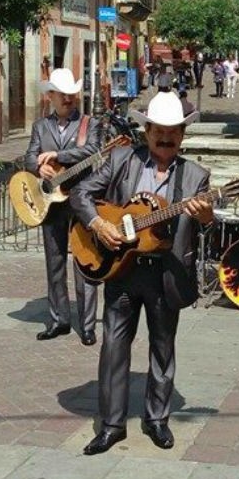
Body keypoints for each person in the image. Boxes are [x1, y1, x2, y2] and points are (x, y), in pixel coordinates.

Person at [69, 91, 213, 455]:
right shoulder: (121, 160)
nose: (166, 139)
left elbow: (206, 226)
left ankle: (158, 420)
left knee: (162, 348)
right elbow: (81, 194)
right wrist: (100, 224)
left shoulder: (196, 175)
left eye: (173, 132)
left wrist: (205, 215)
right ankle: (112, 425)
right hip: (121, 268)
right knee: (114, 348)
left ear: (183, 134)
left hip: (166, 273)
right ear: (146, 130)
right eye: (158, 131)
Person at [25, 68, 100, 345]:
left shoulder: (88, 123)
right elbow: (29, 156)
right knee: (54, 262)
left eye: (72, 94)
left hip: (81, 199)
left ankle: (88, 324)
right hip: (52, 203)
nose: (69, 98)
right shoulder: (40, 126)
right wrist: (38, 168)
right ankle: (59, 320)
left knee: (85, 261)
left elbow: (93, 150)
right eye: (63, 94)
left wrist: (59, 154)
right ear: (51, 96)